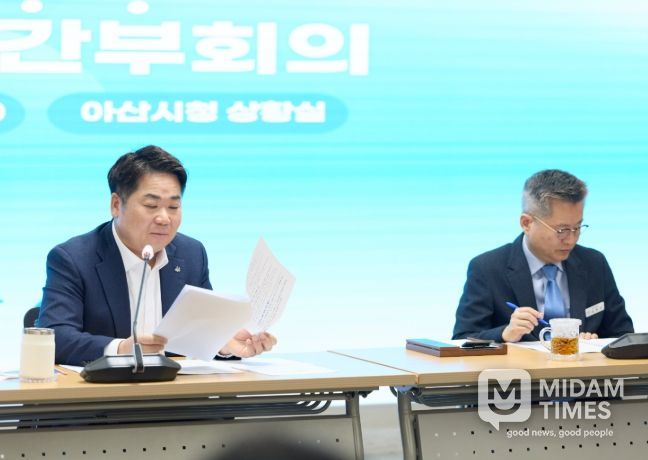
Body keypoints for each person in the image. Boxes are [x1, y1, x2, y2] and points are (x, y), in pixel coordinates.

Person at [39, 145, 277, 365]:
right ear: (116, 205)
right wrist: (121, 349)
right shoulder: (73, 258)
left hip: (173, 394)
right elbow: (55, 337)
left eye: (173, 207)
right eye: (151, 206)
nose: (164, 218)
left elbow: (201, 335)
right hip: (105, 394)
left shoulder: (191, 254)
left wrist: (224, 345)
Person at [452, 169, 634, 343]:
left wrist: (596, 343)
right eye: (561, 230)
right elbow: (462, 340)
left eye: (577, 227)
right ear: (526, 223)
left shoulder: (594, 263)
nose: (571, 240)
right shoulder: (487, 268)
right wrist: (505, 334)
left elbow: (624, 336)